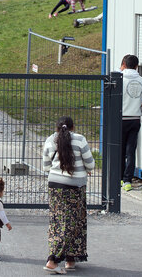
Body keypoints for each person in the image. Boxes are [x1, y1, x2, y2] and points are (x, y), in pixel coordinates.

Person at [42, 116, 95, 274]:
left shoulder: (51, 140)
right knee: (74, 222)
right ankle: (54, 260)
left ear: (57, 128)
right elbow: (91, 164)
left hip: (55, 186)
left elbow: (45, 167)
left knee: (58, 221)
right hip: (75, 187)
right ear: (73, 127)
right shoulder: (80, 139)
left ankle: (70, 258)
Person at [119, 54, 142, 191]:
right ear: (137, 66)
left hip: (120, 118)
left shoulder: (119, 78)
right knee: (131, 150)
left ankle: (119, 178)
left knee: (119, 149)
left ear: (123, 64)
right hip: (135, 119)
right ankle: (127, 180)